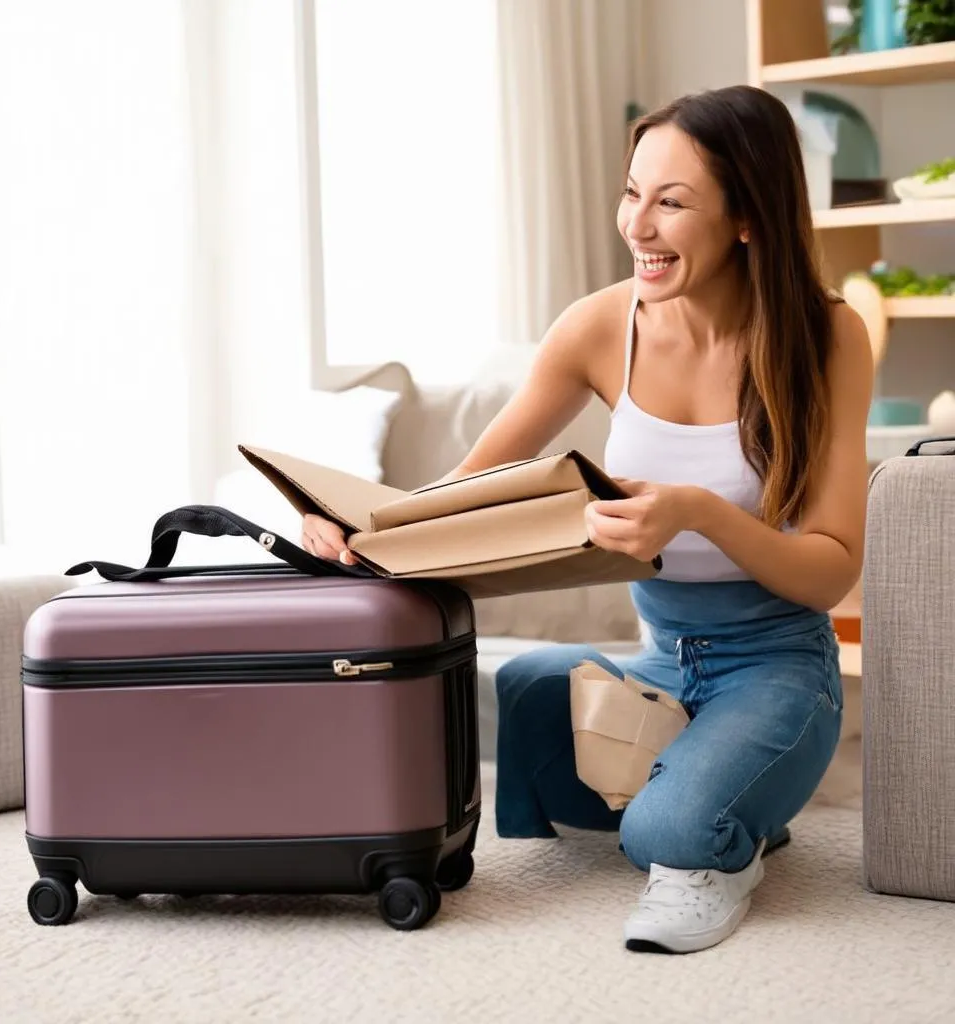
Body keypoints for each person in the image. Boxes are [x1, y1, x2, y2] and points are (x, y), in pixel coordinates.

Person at [300, 84, 874, 954]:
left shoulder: (826, 336)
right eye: (632, 192)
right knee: (524, 697)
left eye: (671, 202)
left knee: (662, 834)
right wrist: (358, 529)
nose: (636, 225)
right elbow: (466, 489)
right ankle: (726, 792)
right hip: (662, 659)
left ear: (748, 216)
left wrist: (700, 514)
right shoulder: (601, 327)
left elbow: (831, 569)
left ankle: (714, 828)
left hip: (779, 668)